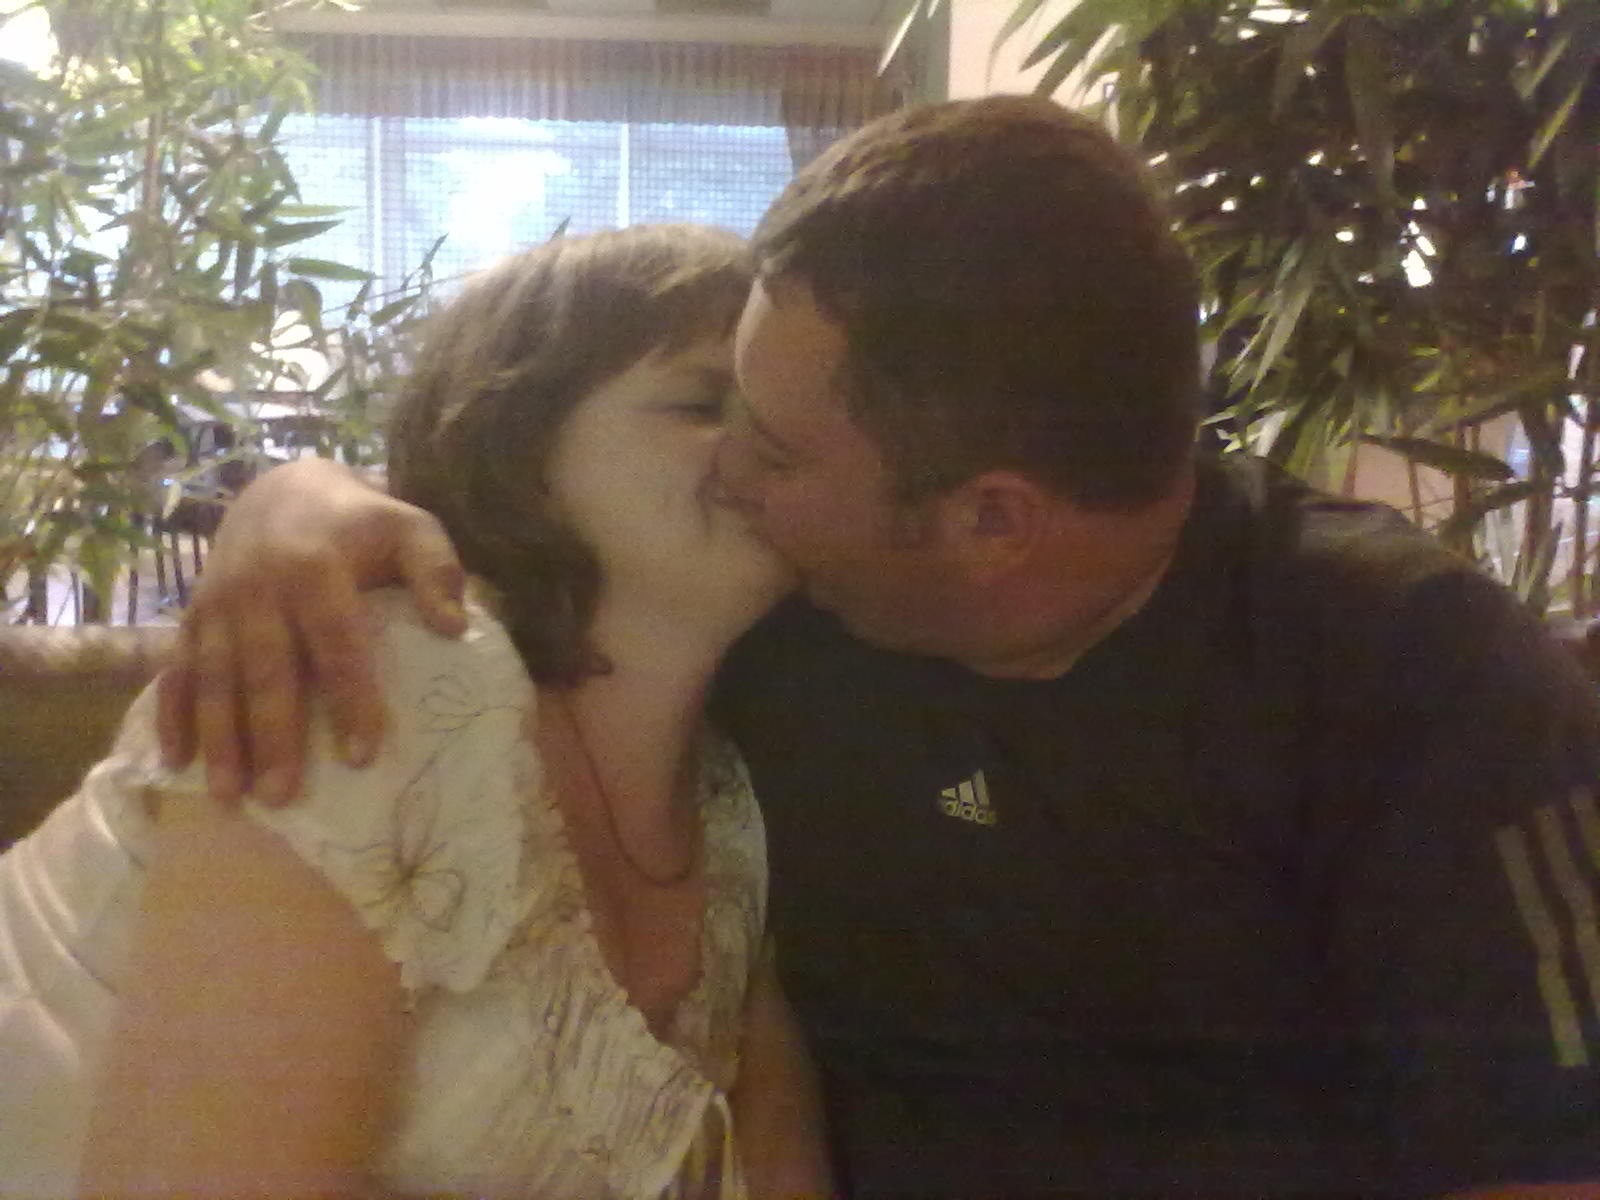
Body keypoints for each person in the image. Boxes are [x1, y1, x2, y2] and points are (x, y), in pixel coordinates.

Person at [158, 96, 1600, 1199]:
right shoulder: (779, 628)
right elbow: (524, 540)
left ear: (988, 522)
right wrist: (291, 504)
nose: (737, 479)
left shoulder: (1409, 671)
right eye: (719, 407)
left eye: (776, 446)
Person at [0, 225, 833, 1199]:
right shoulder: (380, 670)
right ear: (520, 442)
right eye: (701, 403)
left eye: (792, 417)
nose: (769, 447)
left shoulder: (729, 810)